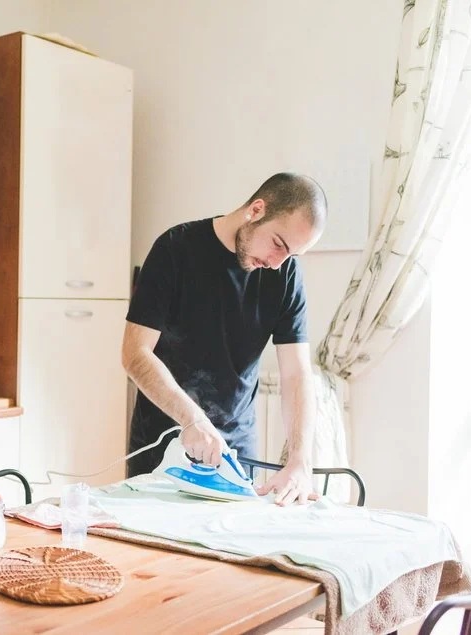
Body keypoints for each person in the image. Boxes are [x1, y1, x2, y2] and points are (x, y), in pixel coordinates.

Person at [122, 173, 326, 506]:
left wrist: (300, 461)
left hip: (236, 450)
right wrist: (192, 418)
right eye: (278, 244)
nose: (277, 264)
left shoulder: (284, 274)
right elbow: (135, 353)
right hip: (161, 448)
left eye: (292, 256)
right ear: (257, 210)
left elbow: (296, 374)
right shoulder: (175, 250)